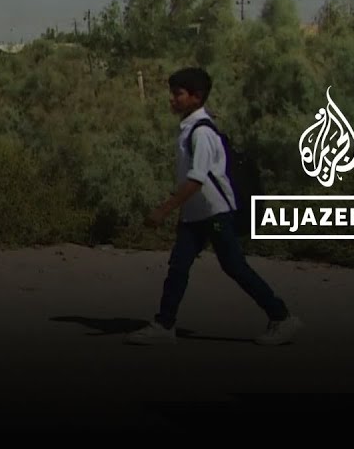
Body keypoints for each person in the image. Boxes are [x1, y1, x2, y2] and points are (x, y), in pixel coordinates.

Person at [127, 67, 303, 346]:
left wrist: (164, 210)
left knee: (234, 267)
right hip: (195, 214)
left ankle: (282, 317)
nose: (172, 99)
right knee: (178, 267)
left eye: (178, 94)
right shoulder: (191, 127)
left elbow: (196, 179)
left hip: (214, 213)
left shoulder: (202, 132)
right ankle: (164, 324)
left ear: (196, 97)